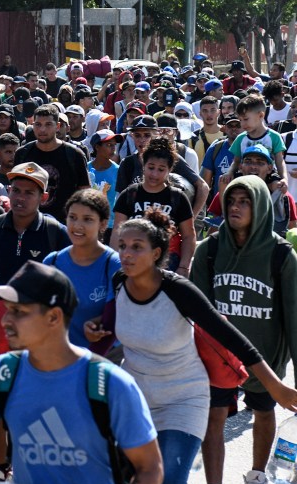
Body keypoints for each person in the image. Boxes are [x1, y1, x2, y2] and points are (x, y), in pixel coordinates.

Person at [87, 206, 297, 484]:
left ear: (157, 253)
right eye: (122, 246)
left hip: (184, 398)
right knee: (129, 479)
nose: (126, 254)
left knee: (169, 483)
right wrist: (96, 329)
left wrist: (276, 387)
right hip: (136, 399)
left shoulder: (178, 290)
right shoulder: (119, 283)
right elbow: (114, 324)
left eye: (137, 247)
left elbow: (232, 338)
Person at [0, 261, 164, 484]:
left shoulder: (108, 382)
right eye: (7, 310)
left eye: (19, 312)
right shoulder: (1, 373)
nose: (5, 321)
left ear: (53, 317)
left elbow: (150, 468)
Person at [191, 176, 297, 484]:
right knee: (214, 417)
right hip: (218, 356)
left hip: (266, 354)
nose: (234, 207)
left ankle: (256, 477)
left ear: (261, 207)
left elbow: (294, 316)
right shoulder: (208, 250)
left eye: (244, 201)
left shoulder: (281, 255)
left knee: (264, 412)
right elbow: (198, 311)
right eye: (231, 201)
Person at [43, 189, 120, 349]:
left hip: (104, 357)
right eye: (72, 217)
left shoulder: (114, 264)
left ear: (103, 224)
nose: (77, 225)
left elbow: (119, 316)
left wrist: (99, 326)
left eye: (87, 219)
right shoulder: (52, 262)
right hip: (59, 357)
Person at [0, 163, 70, 286]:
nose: (20, 198)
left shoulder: (57, 233)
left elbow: (69, 283)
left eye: (29, 193)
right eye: (16, 190)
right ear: (9, 191)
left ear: (43, 197)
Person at [111, 137, 196, 275]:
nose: (154, 174)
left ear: (169, 170)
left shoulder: (178, 197)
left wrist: (184, 267)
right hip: (132, 260)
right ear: (143, 165)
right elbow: (117, 232)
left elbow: (188, 235)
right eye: (151, 167)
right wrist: (116, 265)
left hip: (168, 264)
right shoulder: (129, 194)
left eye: (161, 169)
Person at [14, 104, 90, 223]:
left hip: (65, 224)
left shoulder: (74, 155)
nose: (42, 129)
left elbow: (84, 192)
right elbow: (16, 190)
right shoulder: (23, 154)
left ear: (57, 126)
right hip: (29, 223)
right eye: (38, 124)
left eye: (48, 124)